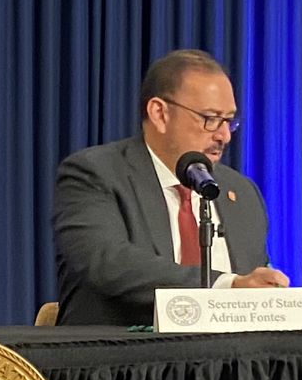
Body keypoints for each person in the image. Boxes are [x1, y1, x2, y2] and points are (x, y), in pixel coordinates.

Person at [52, 49, 289, 325]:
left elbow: (253, 283)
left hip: (230, 351)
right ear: (160, 114)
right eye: (210, 119)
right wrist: (225, 286)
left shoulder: (242, 192)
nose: (224, 135)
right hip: (126, 347)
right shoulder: (95, 174)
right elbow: (108, 263)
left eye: (229, 121)